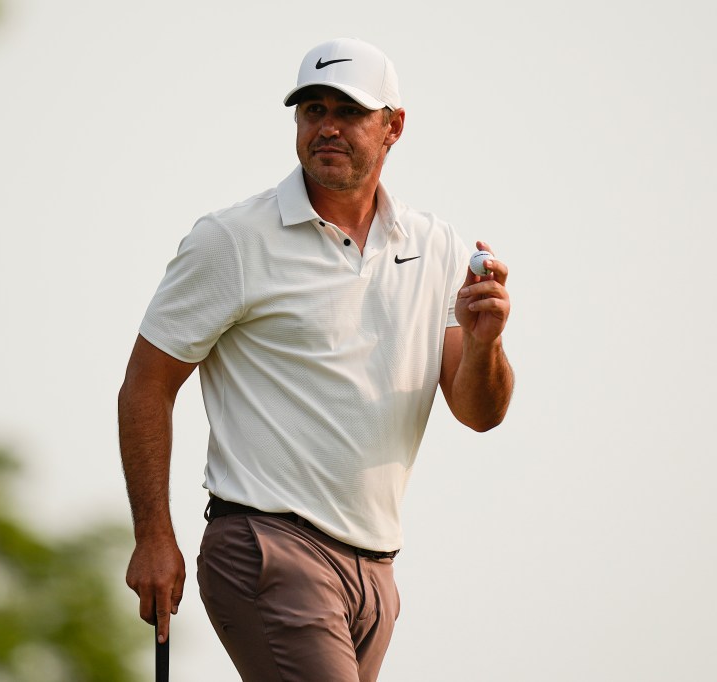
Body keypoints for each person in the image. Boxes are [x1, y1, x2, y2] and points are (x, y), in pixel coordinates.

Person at [118, 37, 514, 681]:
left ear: (393, 127)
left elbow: (477, 411)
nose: (326, 126)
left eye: (349, 111)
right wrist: (154, 535)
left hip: (375, 573)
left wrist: (487, 340)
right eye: (311, 109)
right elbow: (146, 385)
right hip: (266, 547)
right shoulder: (233, 240)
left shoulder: (434, 245)